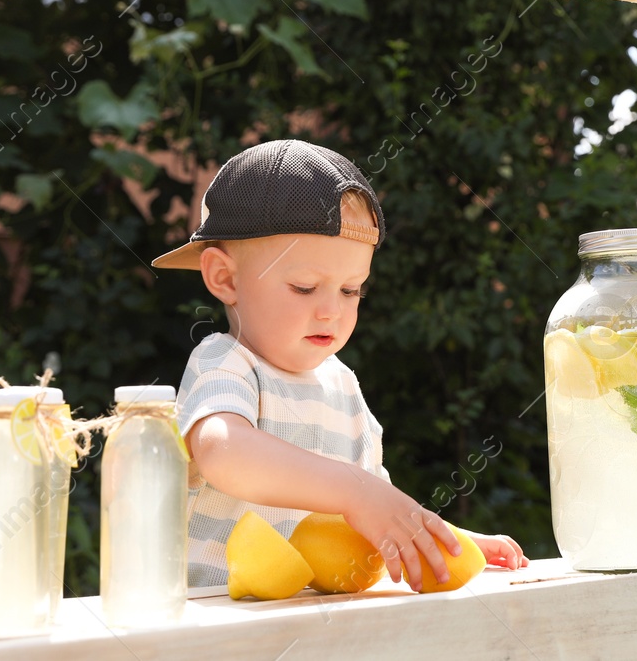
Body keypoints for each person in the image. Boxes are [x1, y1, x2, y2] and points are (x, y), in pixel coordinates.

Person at [156, 138, 527, 590]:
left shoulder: (344, 387)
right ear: (224, 277)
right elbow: (223, 452)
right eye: (305, 287)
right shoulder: (225, 362)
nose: (332, 311)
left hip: (319, 626)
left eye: (352, 290)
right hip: (220, 626)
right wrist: (354, 490)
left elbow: (377, 508)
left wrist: (440, 539)